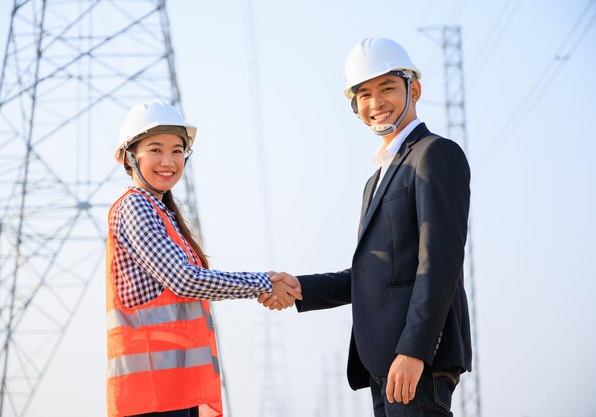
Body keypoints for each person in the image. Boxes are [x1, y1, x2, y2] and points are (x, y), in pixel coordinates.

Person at [259, 37, 472, 416]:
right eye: (364, 95)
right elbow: (373, 274)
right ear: (354, 106)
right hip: (383, 362)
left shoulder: (435, 154)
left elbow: (440, 263)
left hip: (417, 359)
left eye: (387, 88)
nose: (376, 104)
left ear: (415, 89)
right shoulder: (376, 181)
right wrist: (301, 288)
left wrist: (414, 350)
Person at [106, 100, 300, 417]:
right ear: (130, 155)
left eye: (177, 150)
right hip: (152, 392)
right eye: (155, 150)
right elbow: (185, 280)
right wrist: (264, 283)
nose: (168, 160)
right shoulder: (135, 207)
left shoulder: (162, 213)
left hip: (173, 387)